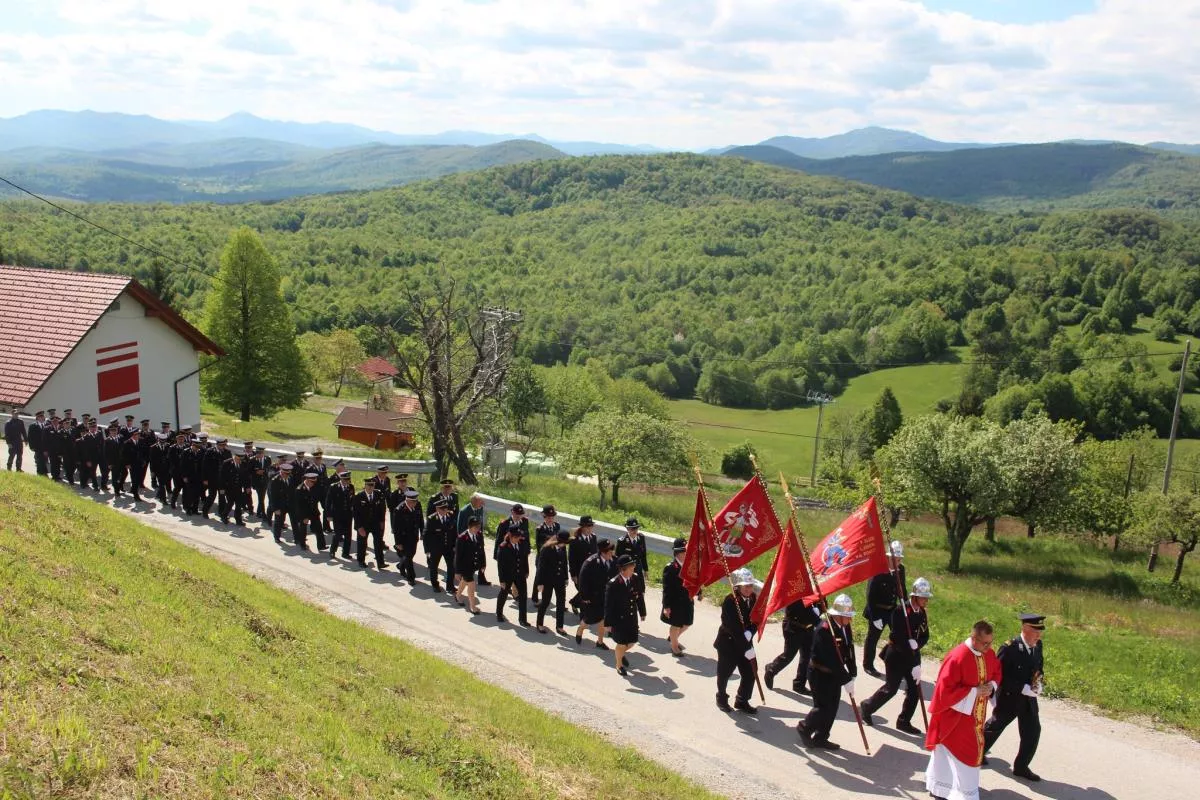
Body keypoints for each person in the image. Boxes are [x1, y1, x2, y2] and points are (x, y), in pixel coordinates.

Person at [925, 620, 1003, 800]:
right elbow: (944, 692)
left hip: (975, 716)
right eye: (985, 643)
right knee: (964, 753)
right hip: (954, 717)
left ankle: (943, 787)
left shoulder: (988, 653)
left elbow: (997, 671)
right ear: (974, 638)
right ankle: (960, 794)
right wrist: (974, 692)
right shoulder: (958, 657)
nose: (989, 647)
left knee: (954, 755)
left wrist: (991, 685)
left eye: (991, 642)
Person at [861, 577, 933, 735]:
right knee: (891, 689)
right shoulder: (901, 611)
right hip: (896, 656)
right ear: (915, 596)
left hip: (912, 655)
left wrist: (917, 645)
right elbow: (897, 636)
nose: (926, 600)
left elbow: (925, 635)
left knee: (914, 690)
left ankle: (903, 721)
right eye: (923, 597)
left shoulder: (921, 612)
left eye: (927, 598)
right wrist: (910, 648)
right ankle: (867, 707)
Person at [983, 613, 1047, 782]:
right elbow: (999, 675)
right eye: (1036, 631)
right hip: (1009, 698)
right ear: (1025, 629)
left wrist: (1039, 683)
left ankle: (1021, 766)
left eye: (1040, 632)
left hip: (1028, 699)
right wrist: (1021, 688)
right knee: (994, 727)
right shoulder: (1009, 648)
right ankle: (977, 752)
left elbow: (1039, 668)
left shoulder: (1038, 646)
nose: (1039, 635)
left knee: (1033, 732)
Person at [799, 594, 858, 750]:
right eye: (847, 616)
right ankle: (805, 727)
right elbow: (831, 659)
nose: (850, 619)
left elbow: (849, 648)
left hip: (835, 674)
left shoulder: (845, 626)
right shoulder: (824, 630)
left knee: (832, 708)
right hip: (820, 673)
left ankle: (821, 737)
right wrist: (846, 679)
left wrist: (852, 671)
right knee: (823, 707)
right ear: (838, 615)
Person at [863, 540, 907, 677]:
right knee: (873, 638)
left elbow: (902, 589)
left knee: (899, 635)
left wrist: (906, 605)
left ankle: (888, 658)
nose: (898, 562)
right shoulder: (878, 569)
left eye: (899, 559)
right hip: (877, 609)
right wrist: (875, 617)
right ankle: (868, 665)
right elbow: (870, 595)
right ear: (888, 557)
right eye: (895, 559)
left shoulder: (901, 569)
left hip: (892, 609)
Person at [764, 599, 820, 694]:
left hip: (808, 628)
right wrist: (817, 619)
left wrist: (820, 607)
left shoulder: (816, 593)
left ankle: (799, 684)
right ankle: (771, 669)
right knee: (788, 655)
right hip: (793, 627)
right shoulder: (796, 593)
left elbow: (820, 608)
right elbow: (801, 611)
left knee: (806, 657)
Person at [604, 554, 642, 677]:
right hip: (619, 619)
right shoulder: (613, 584)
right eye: (631, 567)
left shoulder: (635, 578)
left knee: (632, 642)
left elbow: (639, 596)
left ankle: (620, 654)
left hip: (631, 617)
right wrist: (608, 623)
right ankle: (619, 664)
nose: (633, 569)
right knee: (621, 643)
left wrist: (642, 612)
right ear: (623, 569)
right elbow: (608, 605)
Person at [575, 539, 615, 648]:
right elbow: (583, 580)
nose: (612, 553)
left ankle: (600, 641)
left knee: (603, 619)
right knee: (589, 619)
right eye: (610, 551)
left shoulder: (613, 560)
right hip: (593, 597)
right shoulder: (591, 562)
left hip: (606, 597)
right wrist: (584, 596)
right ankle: (580, 629)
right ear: (603, 552)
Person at [661, 537, 694, 657]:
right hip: (675, 602)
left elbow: (694, 580)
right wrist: (666, 606)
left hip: (688, 599)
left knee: (687, 623)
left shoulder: (690, 565)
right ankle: (674, 647)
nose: (686, 554)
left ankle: (673, 638)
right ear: (677, 553)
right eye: (684, 551)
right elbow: (666, 589)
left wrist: (699, 592)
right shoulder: (670, 568)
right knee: (676, 624)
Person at [535, 530, 571, 635]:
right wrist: (540, 583)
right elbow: (541, 567)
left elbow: (564, 563)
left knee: (561, 603)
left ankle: (559, 626)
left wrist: (566, 577)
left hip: (560, 580)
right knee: (545, 602)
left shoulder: (562, 548)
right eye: (564, 542)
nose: (565, 545)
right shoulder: (546, 549)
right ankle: (539, 624)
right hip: (548, 580)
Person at [495, 524, 531, 626]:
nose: (518, 538)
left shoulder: (522, 543)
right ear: (510, 536)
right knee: (504, 593)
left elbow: (524, 557)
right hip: (508, 575)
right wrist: (502, 580)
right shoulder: (503, 547)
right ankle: (499, 613)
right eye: (516, 537)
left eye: (519, 536)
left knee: (523, 596)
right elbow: (500, 565)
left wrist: (526, 570)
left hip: (520, 574)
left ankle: (522, 619)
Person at [616, 517, 649, 620]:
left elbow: (643, 555)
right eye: (632, 529)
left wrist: (646, 569)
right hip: (626, 572)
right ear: (627, 529)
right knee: (628, 592)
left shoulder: (641, 538)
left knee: (641, 591)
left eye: (636, 528)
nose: (634, 531)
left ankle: (637, 610)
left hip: (638, 569)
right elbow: (618, 559)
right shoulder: (622, 541)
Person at [352, 476, 387, 569]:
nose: (370, 487)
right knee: (362, 543)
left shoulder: (378, 494)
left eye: (372, 485)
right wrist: (359, 527)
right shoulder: (359, 496)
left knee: (378, 543)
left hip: (375, 523)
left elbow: (382, 509)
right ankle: (361, 561)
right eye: (369, 485)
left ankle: (380, 562)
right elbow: (355, 514)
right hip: (363, 524)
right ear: (365, 485)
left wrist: (382, 521)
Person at [424, 497, 457, 591]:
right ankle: (435, 585)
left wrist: (455, 545)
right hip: (436, 548)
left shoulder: (451, 515)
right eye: (442, 509)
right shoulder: (431, 519)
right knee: (434, 567)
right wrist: (427, 550)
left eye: (446, 508)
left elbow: (454, 532)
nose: (444, 510)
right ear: (437, 509)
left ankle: (450, 586)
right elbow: (426, 535)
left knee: (451, 567)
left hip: (448, 547)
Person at [454, 517, 486, 614]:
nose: (477, 529)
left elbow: (481, 550)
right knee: (471, 583)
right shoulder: (462, 538)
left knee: (465, 580)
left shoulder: (479, 535)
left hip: (474, 565)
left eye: (479, 527)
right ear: (469, 527)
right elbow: (458, 556)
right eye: (475, 527)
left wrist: (483, 564)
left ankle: (457, 595)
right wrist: (457, 572)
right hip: (465, 566)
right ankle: (472, 606)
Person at [456, 494, 490, 586]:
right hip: (468, 539)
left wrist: (480, 536)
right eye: (480, 502)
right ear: (474, 502)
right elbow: (460, 528)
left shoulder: (480, 509)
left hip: (478, 537)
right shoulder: (464, 511)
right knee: (467, 559)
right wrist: (463, 541)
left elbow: (480, 524)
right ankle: (462, 576)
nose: (482, 504)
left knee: (481, 556)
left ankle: (481, 578)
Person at [392, 488, 424, 586]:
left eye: (416, 501)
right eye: (413, 502)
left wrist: (422, 532)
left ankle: (401, 565)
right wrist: (398, 543)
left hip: (414, 536)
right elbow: (396, 528)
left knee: (411, 554)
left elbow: (421, 519)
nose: (415, 503)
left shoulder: (417, 505)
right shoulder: (399, 510)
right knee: (409, 558)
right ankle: (411, 578)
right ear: (408, 501)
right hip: (404, 538)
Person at [532, 505, 562, 604]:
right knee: (539, 577)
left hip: (553, 557)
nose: (550, 519)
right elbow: (539, 546)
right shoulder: (540, 529)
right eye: (548, 517)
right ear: (544, 517)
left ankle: (548, 599)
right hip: (543, 557)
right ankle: (535, 597)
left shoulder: (557, 526)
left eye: (552, 517)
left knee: (551, 578)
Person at [568, 515, 598, 613]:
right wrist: (573, 574)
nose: (589, 528)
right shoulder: (575, 540)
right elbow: (571, 558)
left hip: (592, 572)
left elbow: (595, 554)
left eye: (591, 526)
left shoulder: (593, 537)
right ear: (582, 527)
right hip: (579, 572)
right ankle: (584, 613)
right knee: (585, 592)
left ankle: (574, 602)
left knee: (590, 591)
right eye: (587, 526)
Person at [325, 471, 355, 559]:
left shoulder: (351, 487)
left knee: (348, 535)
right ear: (341, 479)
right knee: (338, 534)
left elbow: (352, 500)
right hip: (337, 515)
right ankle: (332, 551)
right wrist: (328, 515)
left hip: (348, 515)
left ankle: (345, 553)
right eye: (345, 479)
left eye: (348, 479)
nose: (347, 481)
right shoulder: (334, 487)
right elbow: (328, 502)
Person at [219, 450, 247, 525]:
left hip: (238, 488)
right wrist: (222, 489)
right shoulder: (227, 463)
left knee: (239, 504)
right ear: (235, 457)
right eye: (238, 459)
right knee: (230, 503)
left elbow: (245, 476)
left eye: (241, 460)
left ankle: (238, 519)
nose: (240, 461)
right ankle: (224, 516)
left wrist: (247, 487)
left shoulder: (243, 464)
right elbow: (222, 477)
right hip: (229, 488)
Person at [268, 462, 293, 542]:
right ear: (281, 472)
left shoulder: (290, 478)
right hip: (279, 505)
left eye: (288, 474)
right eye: (286, 473)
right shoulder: (275, 480)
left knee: (291, 521)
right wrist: (275, 509)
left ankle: (297, 538)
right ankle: (277, 537)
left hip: (287, 504)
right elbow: (272, 497)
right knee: (278, 522)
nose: (287, 475)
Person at [121, 428, 144, 502]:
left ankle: (133, 490)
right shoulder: (127, 443)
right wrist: (127, 464)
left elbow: (142, 451)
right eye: (136, 434)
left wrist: (143, 461)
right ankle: (136, 495)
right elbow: (124, 455)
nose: (138, 436)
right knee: (134, 479)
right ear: (132, 435)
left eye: (138, 434)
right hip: (132, 464)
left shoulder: (141, 441)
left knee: (138, 478)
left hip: (139, 463)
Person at [28, 410, 47, 476]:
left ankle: (44, 472)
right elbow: (30, 437)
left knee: (45, 460)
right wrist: (31, 447)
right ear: (37, 418)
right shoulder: (32, 426)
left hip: (45, 447)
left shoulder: (47, 425)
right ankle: (39, 473)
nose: (42, 418)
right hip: (37, 447)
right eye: (40, 416)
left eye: (43, 416)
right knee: (39, 460)